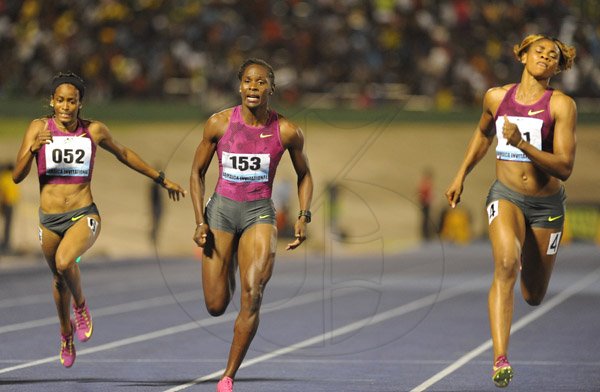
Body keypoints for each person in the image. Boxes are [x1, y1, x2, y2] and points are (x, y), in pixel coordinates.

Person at [12, 72, 186, 368]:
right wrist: (33, 148)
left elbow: (124, 154)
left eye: (72, 101)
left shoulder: (93, 131)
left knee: (66, 263)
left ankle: (81, 306)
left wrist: (161, 178)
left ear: (80, 103)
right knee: (57, 278)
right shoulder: (38, 128)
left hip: (83, 213)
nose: (66, 107)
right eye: (61, 101)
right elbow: (17, 176)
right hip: (49, 219)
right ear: (51, 102)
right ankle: (65, 332)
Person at [445, 35, 576, 388]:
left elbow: (564, 167)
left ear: (557, 67)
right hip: (505, 195)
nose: (546, 58)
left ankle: (527, 263)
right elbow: (483, 133)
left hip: (546, 205)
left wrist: (521, 144)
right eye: (540, 51)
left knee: (533, 295)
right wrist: (461, 174)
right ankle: (500, 358)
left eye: (553, 56)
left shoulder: (562, 106)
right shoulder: (496, 97)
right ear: (522, 55)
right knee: (504, 263)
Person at [190, 58, 313, 392]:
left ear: (271, 87)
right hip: (221, 214)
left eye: (261, 82)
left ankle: (228, 374)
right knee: (215, 305)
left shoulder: (286, 130)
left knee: (253, 291)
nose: (253, 88)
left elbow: (304, 174)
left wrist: (304, 215)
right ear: (239, 85)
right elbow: (196, 173)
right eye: (248, 81)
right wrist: (200, 221)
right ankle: (228, 259)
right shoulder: (218, 123)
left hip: (259, 213)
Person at [0, 162, 20, 253]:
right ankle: (6, 243)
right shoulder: (12, 178)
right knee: (8, 224)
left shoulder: (3, 178)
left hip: (4, 203)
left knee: (6, 224)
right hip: (10, 203)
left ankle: (5, 242)